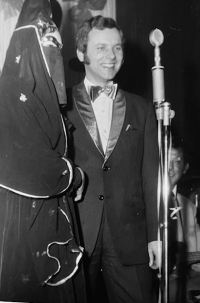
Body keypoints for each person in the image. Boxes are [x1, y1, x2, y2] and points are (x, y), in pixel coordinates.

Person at [62, 15, 160, 303]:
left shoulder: (142, 109)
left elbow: (151, 176)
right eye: (101, 48)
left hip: (130, 238)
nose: (111, 56)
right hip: (77, 235)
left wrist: (155, 235)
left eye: (117, 48)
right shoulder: (61, 105)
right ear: (82, 54)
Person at [0, 0, 85, 302]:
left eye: (59, 47)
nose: (56, 53)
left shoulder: (47, 103)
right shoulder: (8, 92)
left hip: (51, 218)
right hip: (18, 226)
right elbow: (26, 166)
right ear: (28, 42)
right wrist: (72, 174)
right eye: (50, 42)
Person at [168, 137, 200, 302]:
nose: (170, 168)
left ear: (185, 168)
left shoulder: (187, 205)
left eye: (177, 162)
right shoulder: (144, 201)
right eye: (166, 161)